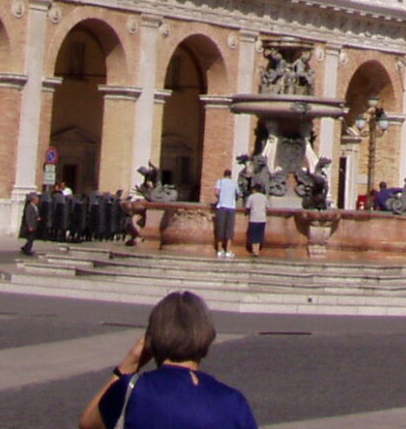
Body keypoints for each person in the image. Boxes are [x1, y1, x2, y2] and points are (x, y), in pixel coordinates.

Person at [77, 290, 256, 429]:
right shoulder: (233, 402)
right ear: (206, 338)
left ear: (151, 340)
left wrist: (129, 364)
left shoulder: (132, 389)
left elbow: (88, 423)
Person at [211, 169, 238, 259]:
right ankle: (228, 250)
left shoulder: (220, 181)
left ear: (224, 175)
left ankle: (219, 250)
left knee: (220, 228)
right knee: (229, 229)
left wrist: (220, 198)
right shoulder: (234, 183)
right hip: (231, 207)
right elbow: (238, 193)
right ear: (230, 175)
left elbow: (216, 192)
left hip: (221, 206)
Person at [244, 184, 267, 258]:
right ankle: (257, 250)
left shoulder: (251, 197)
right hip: (262, 218)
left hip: (254, 218)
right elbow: (267, 206)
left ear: (254, 190)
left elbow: (247, 207)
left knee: (253, 235)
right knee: (259, 235)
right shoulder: (264, 197)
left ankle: (254, 250)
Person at [20, 191, 41, 256]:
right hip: (31, 226)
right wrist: (30, 226)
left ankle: (25, 248)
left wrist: (37, 218)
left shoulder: (35, 207)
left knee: (31, 238)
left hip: (34, 225)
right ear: (33, 200)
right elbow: (28, 217)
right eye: (37, 199)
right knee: (31, 238)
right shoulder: (30, 207)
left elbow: (35, 215)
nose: (38, 201)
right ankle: (27, 250)